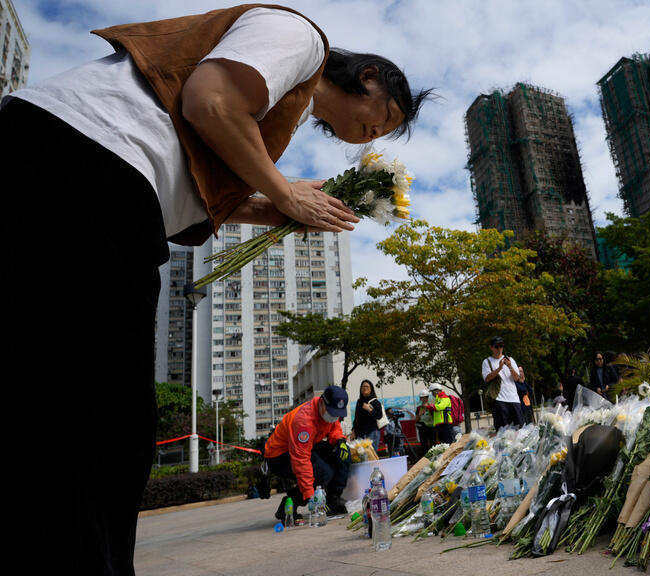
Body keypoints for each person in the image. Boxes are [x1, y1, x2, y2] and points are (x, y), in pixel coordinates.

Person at [2, 5, 430, 572]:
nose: (379, 133)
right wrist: (285, 193)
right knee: (106, 421)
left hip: (84, 174)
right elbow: (210, 101)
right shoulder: (303, 38)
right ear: (368, 75)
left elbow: (201, 182)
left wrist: (273, 206)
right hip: (88, 161)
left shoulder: (285, 109)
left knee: (60, 407)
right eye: (386, 116)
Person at [263, 386, 351, 522]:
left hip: (306, 446)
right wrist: (311, 496)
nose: (333, 417)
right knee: (323, 473)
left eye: (336, 414)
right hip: (279, 455)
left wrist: (339, 440)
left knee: (342, 453)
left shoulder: (329, 411)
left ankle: (333, 499)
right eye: (331, 413)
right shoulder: (304, 421)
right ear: (321, 402)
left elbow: (334, 426)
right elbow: (301, 460)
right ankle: (290, 504)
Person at [482, 336, 526, 429]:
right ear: (491, 347)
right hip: (499, 400)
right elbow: (487, 378)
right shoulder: (487, 362)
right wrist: (499, 368)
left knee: (520, 430)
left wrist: (510, 366)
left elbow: (517, 378)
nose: (499, 349)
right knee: (503, 431)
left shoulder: (510, 360)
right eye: (496, 346)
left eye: (501, 346)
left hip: (514, 399)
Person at [352, 379, 385, 451]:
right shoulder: (359, 401)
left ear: (371, 389)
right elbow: (356, 417)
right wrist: (353, 431)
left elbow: (379, 416)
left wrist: (369, 409)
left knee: (371, 454)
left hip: (372, 432)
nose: (365, 388)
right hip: (360, 433)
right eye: (363, 386)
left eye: (367, 386)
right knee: (361, 455)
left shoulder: (375, 401)